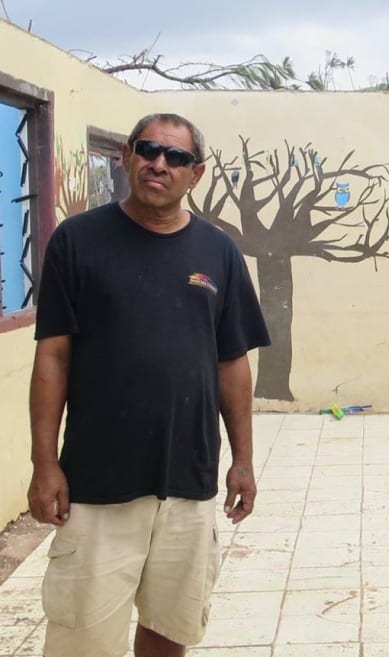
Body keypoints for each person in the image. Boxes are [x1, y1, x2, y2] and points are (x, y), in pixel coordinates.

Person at [28, 113, 270, 657]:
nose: (159, 163)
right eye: (148, 149)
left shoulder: (219, 251)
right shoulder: (78, 241)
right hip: (97, 486)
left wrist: (244, 460)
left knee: (170, 633)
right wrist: (45, 463)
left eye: (176, 157)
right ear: (127, 157)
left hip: (188, 480)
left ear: (196, 174)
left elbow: (233, 363)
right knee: (82, 642)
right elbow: (53, 359)